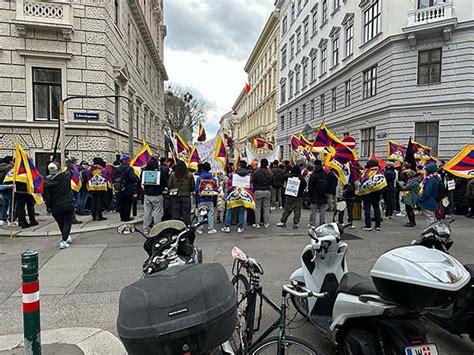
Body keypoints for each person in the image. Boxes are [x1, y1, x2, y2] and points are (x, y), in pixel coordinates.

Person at [43, 162, 75, 249]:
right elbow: (71, 171)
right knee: (67, 222)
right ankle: (64, 241)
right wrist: (67, 161)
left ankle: (65, 236)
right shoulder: (65, 176)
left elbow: (47, 197)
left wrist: (48, 206)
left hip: (55, 205)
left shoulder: (47, 182)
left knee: (61, 223)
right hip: (68, 202)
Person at [221, 160, 253, 233]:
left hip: (233, 194)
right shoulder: (249, 176)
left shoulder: (232, 174)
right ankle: (240, 227)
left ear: (239, 166)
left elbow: (229, 185)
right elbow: (250, 186)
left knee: (229, 211)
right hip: (243, 194)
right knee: (241, 211)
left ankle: (227, 226)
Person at [141, 154, 169, 234]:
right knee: (158, 212)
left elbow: (141, 180)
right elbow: (164, 181)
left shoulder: (144, 169)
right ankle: (157, 229)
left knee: (147, 212)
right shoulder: (162, 169)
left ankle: (145, 228)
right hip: (157, 193)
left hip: (147, 193)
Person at [359, 159, 385, 231]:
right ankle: (378, 225)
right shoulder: (380, 171)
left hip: (368, 193)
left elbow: (362, 181)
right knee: (376, 209)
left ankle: (368, 225)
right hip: (377, 193)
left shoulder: (367, 172)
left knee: (367, 209)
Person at [168, 160, 194, 226]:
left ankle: (177, 226)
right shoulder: (190, 175)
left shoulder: (173, 175)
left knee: (176, 212)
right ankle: (186, 226)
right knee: (186, 213)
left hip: (175, 196)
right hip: (186, 196)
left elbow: (169, 185)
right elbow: (192, 186)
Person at [194, 162, 218, 234]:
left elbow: (196, 188)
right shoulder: (213, 178)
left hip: (201, 198)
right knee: (210, 213)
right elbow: (215, 188)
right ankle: (211, 228)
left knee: (200, 213)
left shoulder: (199, 178)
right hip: (210, 198)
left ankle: (199, 228)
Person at [115, 154, 139, 222]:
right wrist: (136, 180)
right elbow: (133, 178)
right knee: (127, 204)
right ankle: (126, 217)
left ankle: (122, 217)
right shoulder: (129, 168)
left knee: (121, 204)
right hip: (128, 189)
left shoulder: (118, 168)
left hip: (119, 188)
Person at [251, 158, 273, 228]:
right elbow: (272, 182)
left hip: (258, 190)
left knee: (257, 208)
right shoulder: (270, 172)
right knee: (266, 208)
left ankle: (257, 223)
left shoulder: (256, 172)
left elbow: (253, 182)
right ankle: (266, 223)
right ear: (267, 164)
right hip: (267, 190)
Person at [308, 160, 329, 227]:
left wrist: (309, 195)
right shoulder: (325, 174)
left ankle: (312, 223)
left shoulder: (313, 174)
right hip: (323, 195)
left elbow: (310, 186)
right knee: (322, 210)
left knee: (313, 210)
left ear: (315, 165)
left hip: (314, 195)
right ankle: (322, 223)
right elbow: (328, 184)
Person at [0, 156, 14, 226]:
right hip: (9, 187)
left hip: (2, 188)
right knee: (11, 204)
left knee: (4, 204)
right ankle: (10, 220)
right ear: (10, 161)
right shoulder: (10, 168)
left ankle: (3, 219)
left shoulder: (1, 167)